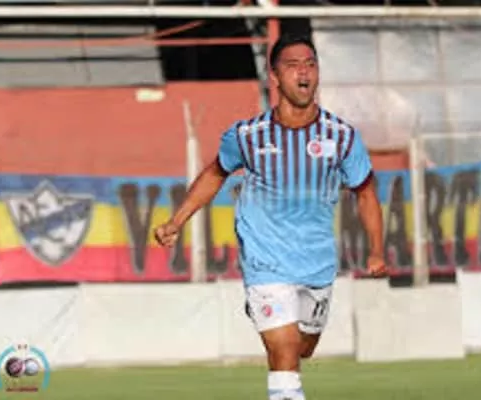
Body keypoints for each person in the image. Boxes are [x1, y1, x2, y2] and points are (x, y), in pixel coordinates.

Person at [154, 34, 385, 400]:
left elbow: (366, 192)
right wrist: (176, 221)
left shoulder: (342, 137)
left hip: (316, 262)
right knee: (284, 350)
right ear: (274, 76)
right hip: (264, 261)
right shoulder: (248, 136)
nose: (303, 73)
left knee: (302, 347)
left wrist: (376, 250)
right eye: (293, 66)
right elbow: (215, 174)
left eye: (310, 65)